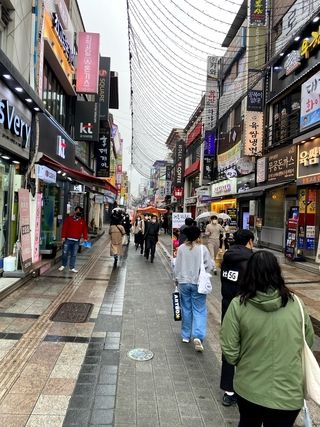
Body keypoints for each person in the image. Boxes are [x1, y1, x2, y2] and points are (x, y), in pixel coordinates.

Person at [220, 251, 314, 427]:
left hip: (249, 388)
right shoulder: (297, 304)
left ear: (249, 273)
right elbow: (307, 342)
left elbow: (229, 350)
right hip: (288, 392)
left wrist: (246, 362)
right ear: (277, 272)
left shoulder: (239, 305)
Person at [219, 229, 254, 407]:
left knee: (229, 346)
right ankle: (245, 388)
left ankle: (228, 390)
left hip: (227, 306)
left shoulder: (227, 257)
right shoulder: (251, 259)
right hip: (247, 308)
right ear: (249, 241)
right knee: (248, 347)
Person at [175, 226, 214, 352]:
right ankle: (197, 335)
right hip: (198, 283)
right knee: (199, 309)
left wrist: (176, 278)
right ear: (198, 236)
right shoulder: (202, 249)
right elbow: (209, 266)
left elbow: (177, 266)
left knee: (186, 308)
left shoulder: (181, 248)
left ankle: (186, 335)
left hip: (183, 282)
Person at [59, 206, 88, 273]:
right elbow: (64, 228)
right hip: (68, 240)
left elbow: (85, 230)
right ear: (74, 211)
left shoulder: (82, 221)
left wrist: (85, 238)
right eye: (77, 211)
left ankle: (72, 267)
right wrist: (63, 237)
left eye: (80, 211)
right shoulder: (69, 219)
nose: (78, 212)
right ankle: (63, 265)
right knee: (65, 253)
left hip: (76, 241)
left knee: (74, 254)